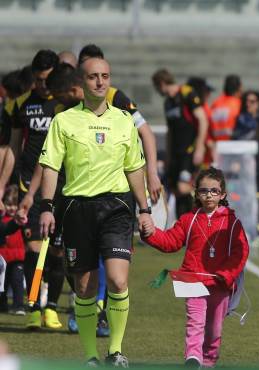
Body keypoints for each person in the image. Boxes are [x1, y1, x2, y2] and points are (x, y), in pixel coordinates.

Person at [38, 56, 152, 367]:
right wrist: (47, 207)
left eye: (105, 76)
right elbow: (50, 167)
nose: (100, 82)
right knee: (85, 288)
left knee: (117, 280)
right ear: (81, 83)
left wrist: (145, 209)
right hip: (77, 208)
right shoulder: (64, 121)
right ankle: (90, 354)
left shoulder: (123, 120)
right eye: (93, 77)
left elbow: (135, 168)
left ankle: (115, 350)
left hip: (116, 206)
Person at [140, 167, 249, 368]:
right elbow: (170, 241)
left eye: (214, 191)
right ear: (196, 193)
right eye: (204, 190)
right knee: (195, 322)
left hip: (219, 283)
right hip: (192, 281)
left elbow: (240, 252)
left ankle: (208, 359)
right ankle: (193, 357)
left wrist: (226, 275)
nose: (209, 195)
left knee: (214, 328)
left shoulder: (232, 223)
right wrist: (150, 233)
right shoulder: (187, 220)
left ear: (223, 194)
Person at [9, 50, 66, 330]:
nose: (43, 86)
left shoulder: (65, 105)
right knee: (32, 251)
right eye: (39, 80)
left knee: (57, 252)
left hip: (63, 186)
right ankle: (33, 306)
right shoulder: (21, 104)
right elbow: (13, 147)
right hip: (28, 183)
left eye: (48, 80)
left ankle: (52, 307)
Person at [77, 44, 162, 203]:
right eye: (90, 73)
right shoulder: (70, 103)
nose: (98, 80)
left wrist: (152, 174)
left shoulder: (115, 97)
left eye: (102, 73)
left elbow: (147, 133)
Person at [152, 68, 209, 217]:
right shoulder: (167, 103)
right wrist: (169, 156)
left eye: (157, 86)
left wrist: (200, 146)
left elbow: (202, 119)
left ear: (162, 83)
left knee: (184, 187)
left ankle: (199, 221)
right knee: (176, 190)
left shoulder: (186, 93)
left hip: (189, 150)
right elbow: (170, 131)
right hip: (176, 153)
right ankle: (183, 228)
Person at [0, 185, 26, 315]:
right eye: (8, 204)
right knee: (2, 283)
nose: (11, 208)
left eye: (14, 205)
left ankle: (19, 305)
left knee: (17, 282)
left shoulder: (21, 221)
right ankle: (2, 304)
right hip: (4, 258)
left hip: (18, 258)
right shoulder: (2, 220)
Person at [210, 75, 242, 141]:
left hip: (215, 142)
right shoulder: (239, 103)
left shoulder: (216, 103)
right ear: (239, 88)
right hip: (230, 142)